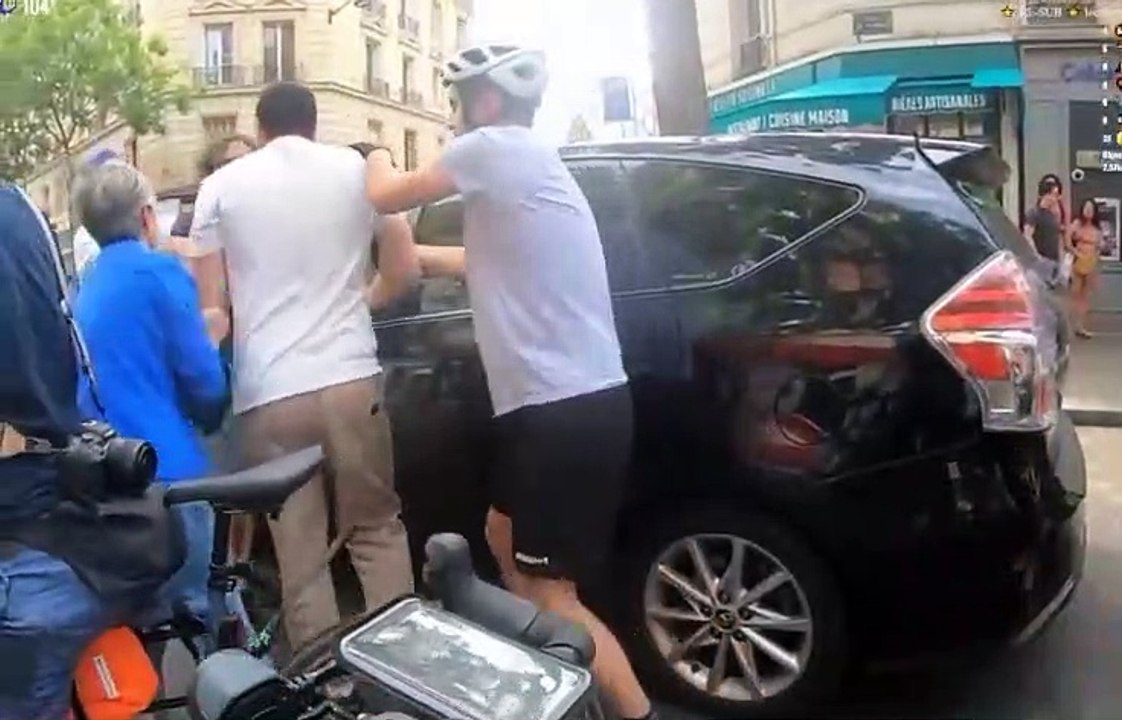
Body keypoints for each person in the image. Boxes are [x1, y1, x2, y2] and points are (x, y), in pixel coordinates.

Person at [363, 45, 655, 720]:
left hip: (559, 410)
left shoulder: (491, 147)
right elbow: (478, 260)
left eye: (457, 101)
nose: (453, 115)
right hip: (563, 405)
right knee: (501, 534)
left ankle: (635, 711)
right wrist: (401, 262)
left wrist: (368, 152)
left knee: (554, 593)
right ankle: (548, 671)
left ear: (487, 102)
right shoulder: (525, 165)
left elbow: (383, 193)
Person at [190, 81, 419, 650]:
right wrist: (360, 303)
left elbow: (212, 309)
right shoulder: (357, 171)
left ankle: (323, 678)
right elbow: (403, 267)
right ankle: (403, 661)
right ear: (314, 126)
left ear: (260, 128)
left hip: (269, 388)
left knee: (300, 551)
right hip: (350, 375)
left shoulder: (220, 187)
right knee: (375, 529)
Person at [70, 161, 229, 632]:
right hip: (168, 480)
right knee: (195, 620)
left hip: (104, 482)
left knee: (139, 631)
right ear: (145, 216)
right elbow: (204, 383)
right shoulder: (159, 272)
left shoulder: (82, 290)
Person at [1068, 198, 1102, 338]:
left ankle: (1080, 326)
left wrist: (1096, 258)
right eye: (1086, 208)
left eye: (1091, 208)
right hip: (1078, 261)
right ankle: (1069, 325)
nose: (1088, 211)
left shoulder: (1097, 228)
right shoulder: (1077, 224)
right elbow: (1067, 240)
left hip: (1091, 261)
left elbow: (1099, 246)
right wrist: (1076, 252)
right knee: (1074, 294)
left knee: (1085, 296)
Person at [1025, 178, 1064, 265]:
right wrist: (1036, 256)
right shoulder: (1034, 213)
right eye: (1053, 194)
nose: (1055, 198)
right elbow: (1027, 236)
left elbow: (1057, 238)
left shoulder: (1052, 215)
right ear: (1045, 195)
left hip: (1054, 261)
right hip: (1040, 260)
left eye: (1056, 195)